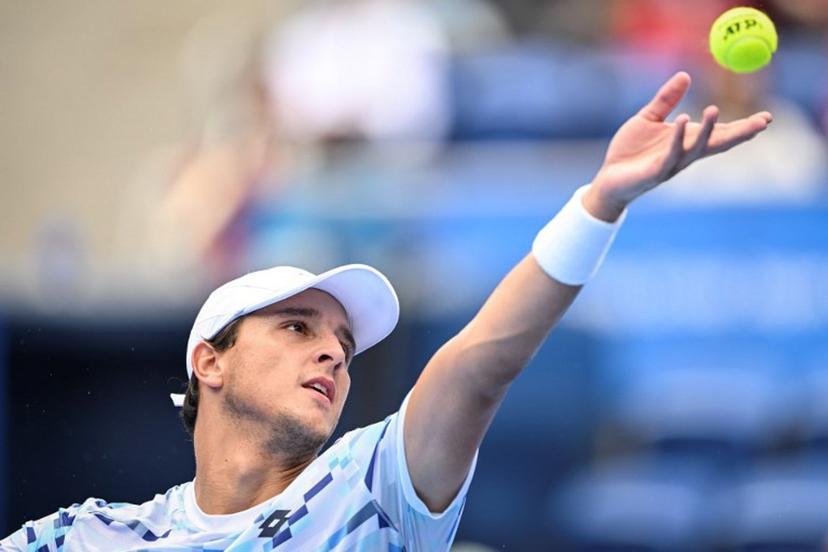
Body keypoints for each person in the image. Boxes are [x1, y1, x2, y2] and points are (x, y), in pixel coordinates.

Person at [1, 72, 772, 551]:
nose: (334, 353)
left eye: (342, 340)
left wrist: (599, 204)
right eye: (297, 327)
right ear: (210, 359)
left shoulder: (369, 488)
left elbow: (478, 366)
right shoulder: (85, 534)